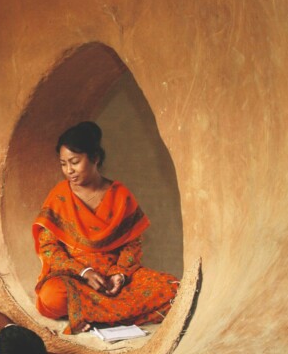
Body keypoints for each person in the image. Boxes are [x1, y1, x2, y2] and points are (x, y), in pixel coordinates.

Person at [32, 121, 179, 334]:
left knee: (172, 287)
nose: (69, 171)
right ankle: (115, 314)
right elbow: (49, 248)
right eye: (63, 164)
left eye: (74, 162)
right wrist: (84, 272)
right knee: (51, 297)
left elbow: (132, 244)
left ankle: (92, 314)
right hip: (75, 277)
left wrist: (119, 275)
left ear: (95, 158)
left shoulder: (120, 195)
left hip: (114, 277)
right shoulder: (59, 195)